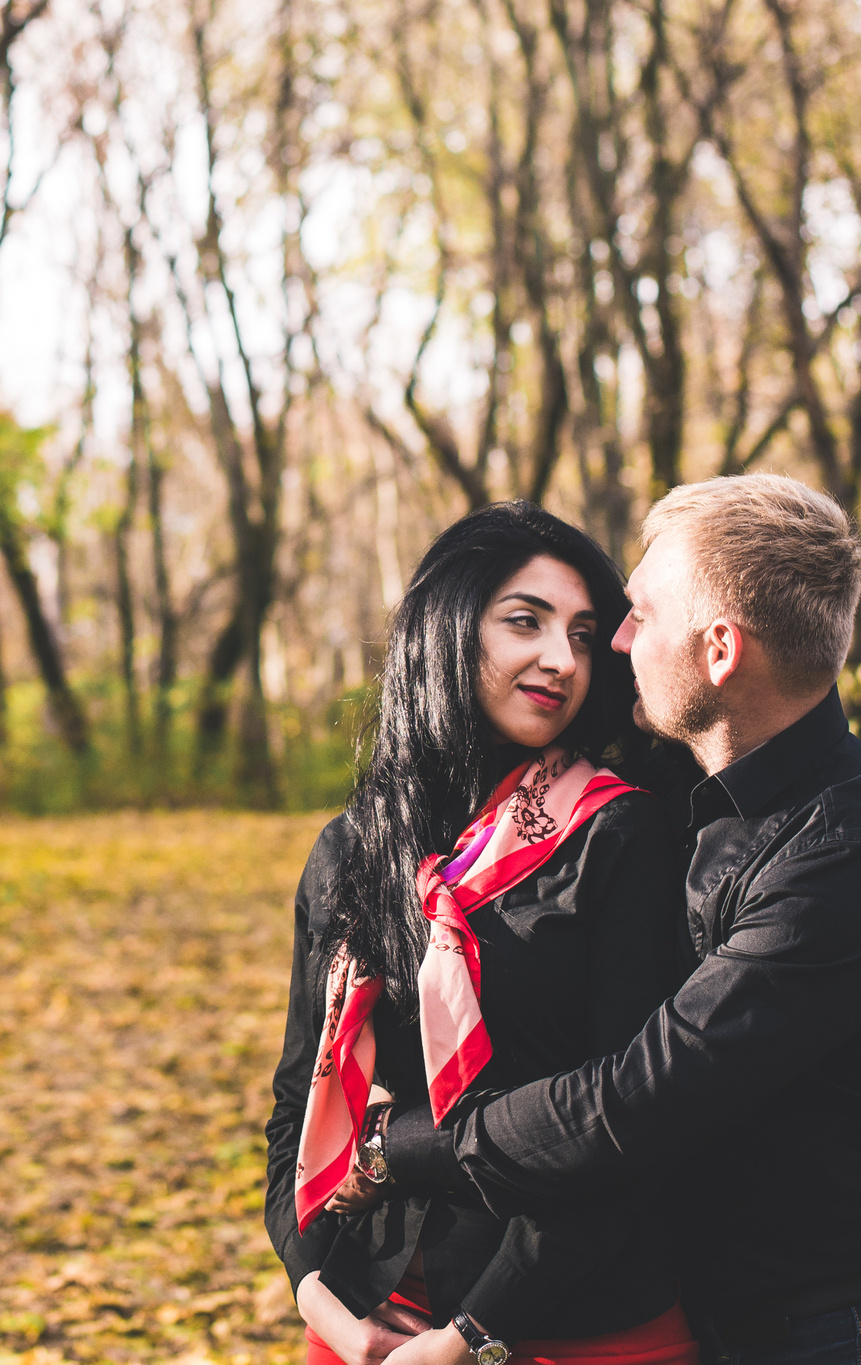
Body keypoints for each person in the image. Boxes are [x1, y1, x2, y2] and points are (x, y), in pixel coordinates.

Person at [374, 476, 861, 1365]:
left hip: (856, 1330)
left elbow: (633, 1101)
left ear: (719, 651)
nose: (619, 643)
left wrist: (407, 1148)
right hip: (737, 1320)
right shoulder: (695, 800)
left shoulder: (841, 861)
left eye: (638, 615)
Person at [266, 502, 701, 1365]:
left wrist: (474, 1336)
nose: (560, 659)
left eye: (583, 634)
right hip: (370, 1315)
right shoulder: (355, 849)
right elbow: (296, 1094)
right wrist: (313, 1286)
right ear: (447, 627)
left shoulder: (620, 838)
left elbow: (626, 1131)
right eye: (524, 621)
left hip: (575, 1323)